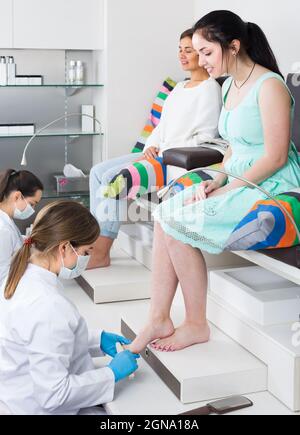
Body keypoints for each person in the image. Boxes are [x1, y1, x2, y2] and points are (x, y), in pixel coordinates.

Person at [127, 10, 300, 354]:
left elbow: (276, 157)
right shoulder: (229, 88)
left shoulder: (270, 87)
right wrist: (215, 179)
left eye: (207, 52)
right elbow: (234, 149)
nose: (201, 61)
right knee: (166, 213)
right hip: (238, 177)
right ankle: (159, 316)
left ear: (233, 46)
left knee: (176, 220)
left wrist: (228, 186)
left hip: (271, 183)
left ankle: (196, 324)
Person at [88, 28, 222, 269]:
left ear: (202, 54)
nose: (182, 55)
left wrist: (165, 152)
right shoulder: (179, 88)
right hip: (158, 152)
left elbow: (206, 137)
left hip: (173, 159)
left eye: (188, 50)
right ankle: (92, 241)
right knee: (97, 171)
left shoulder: (210, 89)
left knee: (111, 178)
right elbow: (161, 127)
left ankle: (102, 250)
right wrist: (151, 145)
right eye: (180, 49)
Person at [0, 201, 139, 415]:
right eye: (85, 251)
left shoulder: (22, 275)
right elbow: (54, 395)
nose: (87, 258)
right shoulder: (46, 304)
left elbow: (38, 339)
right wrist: (111, 374)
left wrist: (95, 339)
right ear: (64, 247)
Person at [0, 169, 43, 287]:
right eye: (32, 204)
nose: (33, 209)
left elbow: (13, 243)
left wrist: (32, 240)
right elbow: (2, 277)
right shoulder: (3, 229)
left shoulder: (7, 221)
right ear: (17, 196)